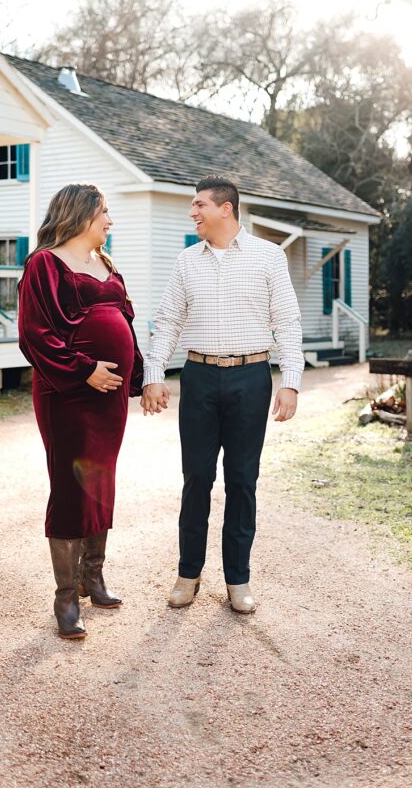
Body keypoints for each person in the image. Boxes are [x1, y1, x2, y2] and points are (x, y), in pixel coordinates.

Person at [142, 175, 303, 614]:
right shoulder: (185, 261)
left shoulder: (269, 257)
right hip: (199, 377)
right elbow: (168, 321)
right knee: (196, 478)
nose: (193, 212)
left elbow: (287, 322)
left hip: (251, 378)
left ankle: (238, 580)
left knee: (242, 481)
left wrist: (290, 380)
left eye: (199, 205)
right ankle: (187, 574)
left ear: (225, 208)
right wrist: (152, 374)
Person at [18, 183, 143, 639]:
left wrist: (137, 376)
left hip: (108, 399)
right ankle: (66, 597)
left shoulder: (105, 264)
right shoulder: (44, 264)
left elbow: (125, 321)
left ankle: (94, 576)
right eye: (105, 213)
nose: (110, 221)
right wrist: (85, 369)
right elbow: (35, 334)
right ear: (82, 214)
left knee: (99, 480)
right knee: (71, 486)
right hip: (67, 394)